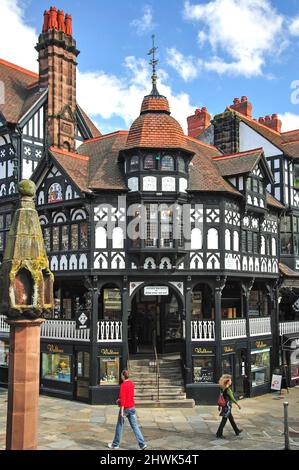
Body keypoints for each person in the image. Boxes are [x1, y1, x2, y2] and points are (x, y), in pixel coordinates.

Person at [108, 370, 147, 450]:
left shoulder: (123, 385)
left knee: (119, 426)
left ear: (123, 376)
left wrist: (122, 410)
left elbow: (123, 398)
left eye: (121, 375)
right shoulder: (131, 384)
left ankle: (115, 444)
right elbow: (129, 395)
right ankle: (142, 444)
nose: (121, 376)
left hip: (125, 408)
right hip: (132, 407)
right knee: (135, 426)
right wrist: (119, 400)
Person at [216, 374, 243, 439]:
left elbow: (221, 397)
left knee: (231, 420)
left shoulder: (223, 388)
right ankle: (219, 434)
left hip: (225, 407)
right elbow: (232, 398)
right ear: (227, 381)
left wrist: (219, 406)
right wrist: (238, 404)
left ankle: (237, 431)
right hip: (227, 407)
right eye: (230, 380)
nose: (231, 381)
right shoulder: (228, 390)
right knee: (224, 421)